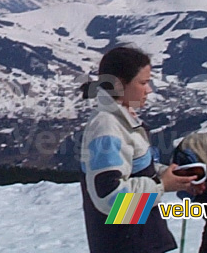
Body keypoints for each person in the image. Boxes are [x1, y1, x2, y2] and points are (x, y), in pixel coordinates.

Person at [79, 46, 198, 253]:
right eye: (143, 82)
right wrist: (161, 185)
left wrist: (175, 177)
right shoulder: (107, 128)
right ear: (119, 84)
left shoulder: (122, 119)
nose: (149, 89)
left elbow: (134, 170)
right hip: (126, 243)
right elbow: (111, 200)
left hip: (138, 240)